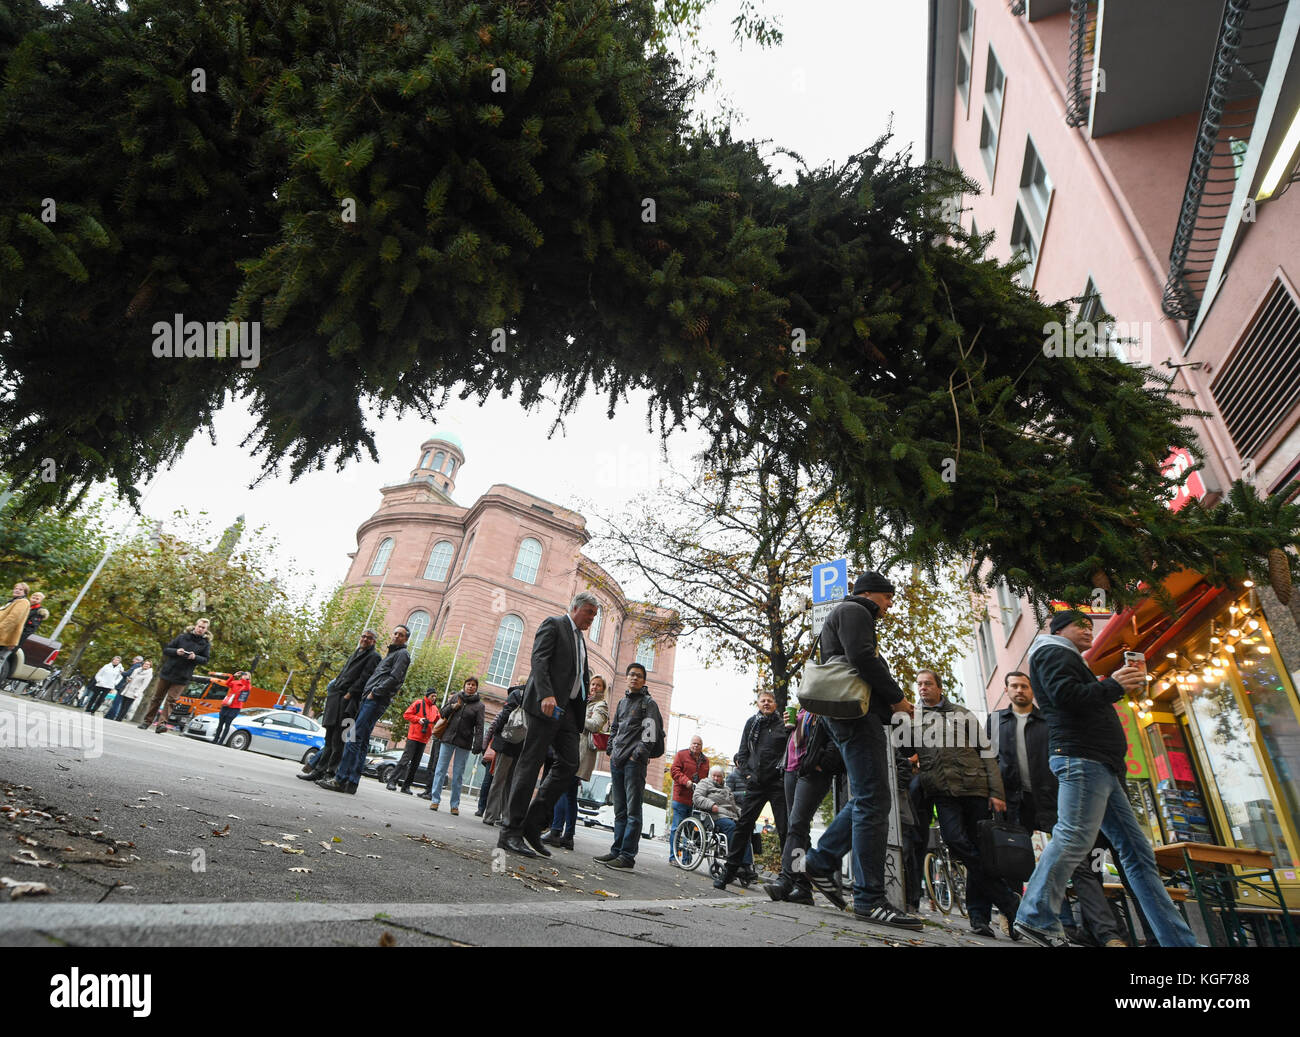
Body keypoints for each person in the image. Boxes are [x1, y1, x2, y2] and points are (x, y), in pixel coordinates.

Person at [1013, 610, 1197, 947]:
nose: (1090, 631)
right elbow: (1066, 697)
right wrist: (1113, 685)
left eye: (1091, 625)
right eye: (1081, 626)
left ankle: (1178, 943)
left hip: (1099, 764)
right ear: (1060, 629)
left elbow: (1074, 697)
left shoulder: (1062, 655)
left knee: (1137, 854)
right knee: (1073, 838)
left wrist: (1109, 686)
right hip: (1083, 760)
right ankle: (1036, 916)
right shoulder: (1053, 651)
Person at [799, 572, 923, 930]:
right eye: (888, 598)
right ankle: (870, 899)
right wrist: (897, 698)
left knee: (867, 798)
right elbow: (862, 658)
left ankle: (821, 861)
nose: (889, 605)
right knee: (873, 800)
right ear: (872, 593)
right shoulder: (856, 610)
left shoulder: (848, 612)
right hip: (855, 716)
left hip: (847, 716)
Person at [990, 670, 1127, 947]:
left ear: (1032, 690)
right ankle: (1013, 916)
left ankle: (1106, 933)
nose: (1020, 691)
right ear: (1007, 691)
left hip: (1053, 798)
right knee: (1013, 861)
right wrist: (994, 793)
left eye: (1024, 686)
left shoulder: (1048, 720)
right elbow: (990, 759)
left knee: (1079, 861)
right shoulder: (995, 721)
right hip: (1014, 800)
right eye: (1014, 686)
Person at [912, 669, 1022, 940]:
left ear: (939, 687)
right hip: (942, 792)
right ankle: (1007, 900)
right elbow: (906, 751)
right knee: (957, 841)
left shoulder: (962, 714)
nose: (922, 688)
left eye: (928, 683)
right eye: (919, 685)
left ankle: (979, 917)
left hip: (975, 789)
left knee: (980, 851)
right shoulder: (912, 719)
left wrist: (996, 792)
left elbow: (987, 753)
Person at [498, 593, 597, 859]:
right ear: (575, 608)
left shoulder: (580, 640)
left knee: (569, 764)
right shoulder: (554, 624)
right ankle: (510, 832)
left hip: (568, 712)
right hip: (546, 704)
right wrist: (545, 694)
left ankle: (532, 823)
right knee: (530, 765)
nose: (591, 618)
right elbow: (539, 660)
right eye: (589, 612)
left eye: (594, 614)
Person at [713, 690, 790, 890]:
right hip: (756, 783)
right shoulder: (751, 723)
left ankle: (791, 877)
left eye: (770, 700)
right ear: (758, 703)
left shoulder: (783, 724)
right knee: (743, 826)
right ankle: (729, 872)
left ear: (775, 704)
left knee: (785, 828)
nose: (766, 703)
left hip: (777, 784)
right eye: (763, 700)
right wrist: (748, 774)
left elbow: (791, 750)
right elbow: (742, 752)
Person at [320, 625, 411, 794]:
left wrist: (374, 693)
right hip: (370, 699)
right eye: (395, 633)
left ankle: (340, 779)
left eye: (401, 635)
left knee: (353, 738)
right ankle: (351, 781)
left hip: (375, 700)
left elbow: (395, 678)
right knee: (360, 741)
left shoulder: (402, 654)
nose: (396, 636)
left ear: (406, 639)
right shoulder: (392, 654)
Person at [765, 707, 841, 905]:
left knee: (797, 824)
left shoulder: (828, 705)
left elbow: (836, 738)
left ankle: (786, 879)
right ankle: (804, 888)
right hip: (791, 769)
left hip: (812, 772)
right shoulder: (801, 708)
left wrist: (821, 762)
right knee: (797, 828)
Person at [593, 663, 665, 870]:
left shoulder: (648, 703)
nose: (634, 678)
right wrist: (611, 749)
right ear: (627, 677)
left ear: (644, 680)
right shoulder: (623, 702)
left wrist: (636, 755)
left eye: (639, 676)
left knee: (633, 811)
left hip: (634, 763)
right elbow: (614, 727)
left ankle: (627, 856)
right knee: (620, 810)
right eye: (631, 674)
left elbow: (650, 734)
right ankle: (616, 851)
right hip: (617, 760)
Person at [299, 632, 381, 782]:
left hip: (349, 703)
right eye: (363, 636)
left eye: (369, 638)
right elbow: (344, 672)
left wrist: (349, 694)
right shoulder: (357, 652)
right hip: (337, 698)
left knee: (339, 740)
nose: (364, 639)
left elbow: (365, 679)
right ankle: (319, 771)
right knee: (329, 738)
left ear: (374, 641)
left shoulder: (374, 657)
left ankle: (330, 773)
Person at [543, 674, 609, 849]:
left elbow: (595, 725)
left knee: (563, 790)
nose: (594, 687)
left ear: (603, 690)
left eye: (598, 686)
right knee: (570, 795)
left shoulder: (601, 705)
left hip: (580, 753)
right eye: (592, 684)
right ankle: (568, 836)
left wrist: (577, 717)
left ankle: (556, 830)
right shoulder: (587, 702)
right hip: (574, 750)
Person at [138, 618, 211, 732]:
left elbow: (206, 660)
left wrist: (195, 657)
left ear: (206, 630)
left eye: (203, 628)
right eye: (199, 626)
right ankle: (147, 721)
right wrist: (176, 652)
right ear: (195, 626)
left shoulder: (205, 644)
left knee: (171, 700)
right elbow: (167, 650)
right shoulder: (182, 637)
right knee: (157, 698)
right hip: (168, 671)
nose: (200, 629)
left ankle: (161, 724)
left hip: (183, 676)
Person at [428, 677, 485, 813]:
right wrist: (453, 706)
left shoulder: (479, 706)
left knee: (458, 774)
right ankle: (435, 800)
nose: (470, 687)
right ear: (464, 686)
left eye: (473, 685)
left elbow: (480, 726)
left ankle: (454, 805)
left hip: (464, 742)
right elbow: (442, 713)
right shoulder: (455, 698)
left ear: (476, 688)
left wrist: (478, 744)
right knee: (440, 770)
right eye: (468, 684)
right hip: (448, 739)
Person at [478, 684, 525, 819]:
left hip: (506, 742)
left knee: (498, 780)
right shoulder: (535, 694)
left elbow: (505, 714)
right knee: (510, 783)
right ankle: (506, 817)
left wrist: (497, 731)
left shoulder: (516, 694)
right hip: (521, 743)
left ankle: (491, 815)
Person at [694, 765, 754, 869]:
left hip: (729, 815)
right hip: (713, 815)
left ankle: (746, 864)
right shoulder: (704, 783)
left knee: (745, 829)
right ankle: (736, 862)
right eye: (714, 776)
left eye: (719, 776)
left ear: (723, 777)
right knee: (732, 827)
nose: (716, 778)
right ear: (710, 776)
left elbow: (733, 806)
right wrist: (711, 805)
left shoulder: (727, 789)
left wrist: (744, 814)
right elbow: (697, 797)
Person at [388, 688, 440, 793]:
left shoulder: (435, 709)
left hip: (424, 739)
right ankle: (392, 781)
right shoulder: (418, 703)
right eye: (432, 696)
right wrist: (418, 719)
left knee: (415, 764)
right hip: (413, 737)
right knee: (405, 760)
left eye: (435, 696)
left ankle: (406, 786)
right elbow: (406, 715)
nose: (434, 698)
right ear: (427, 695)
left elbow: (438, 720)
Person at [668, 734, 709, 865]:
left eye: (699, 744)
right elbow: (674, 771)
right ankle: (673, 857)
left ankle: (687, 859)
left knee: (690, 832)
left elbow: (706, 778)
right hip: (681, 798)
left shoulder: (705, 761)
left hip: (695, 802)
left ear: (702, 746)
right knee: (677, 828)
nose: (696, 746)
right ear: (690, 744)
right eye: (694, 743)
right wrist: (686, 781)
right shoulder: (681, 755)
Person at [0, 583, 32, 676]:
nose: (17, 590)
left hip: (4, 637)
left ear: (25, 592)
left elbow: (12, 619)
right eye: (16, 588)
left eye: (20, 589)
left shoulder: (23, 602)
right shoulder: (14, 601)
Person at [213, 671, 252, 745]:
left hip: (235, 707)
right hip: (227, 704)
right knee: (220, 723)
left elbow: (247, 688)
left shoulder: (247, 685)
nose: (244, 675)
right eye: (243, 674)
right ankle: (215, 739)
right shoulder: (235, 682)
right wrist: (233, 676)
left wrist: (246, 680)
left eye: (246, 675)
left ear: (249, 677)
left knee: (227, 724)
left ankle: (221, 741)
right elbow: (227, 683)